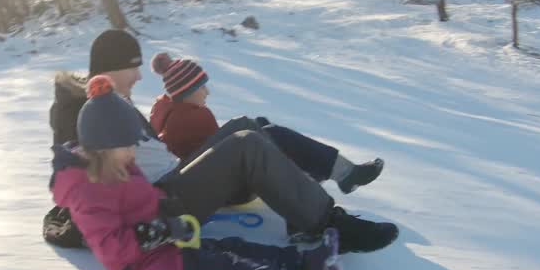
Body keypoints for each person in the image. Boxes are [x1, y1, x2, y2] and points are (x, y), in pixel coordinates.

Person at [45, 29, 398, 255]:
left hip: (173, 178)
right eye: (133, 67)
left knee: (251, 125)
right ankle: (328, 222)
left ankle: (339, 174)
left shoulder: (110, 99)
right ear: (109, 68)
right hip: (161, 203)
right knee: (247, 144)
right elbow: (76, 176)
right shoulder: (83, 112)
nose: (140, 75)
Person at [53, 75, 342, 270]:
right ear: (103, 146)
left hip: (160, 246)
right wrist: (160, 229)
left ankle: (305, 262)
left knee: (229, 247)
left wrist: (168, 210)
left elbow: (145, 198)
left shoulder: (119, 165)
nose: (133, 152)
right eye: (127, 145)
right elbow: (113, 250)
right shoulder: (87, 190)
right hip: (138, 269)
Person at [148, 52, 384, 194]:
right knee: (274, 136)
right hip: (223, 188)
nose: (207, 92)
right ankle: (343, 175)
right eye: (201, 87)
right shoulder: (193, 118)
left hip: (208, 174)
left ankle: (328, 174)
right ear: (186, 92)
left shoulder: (166, 109)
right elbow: (219, 155)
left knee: (261, 125)